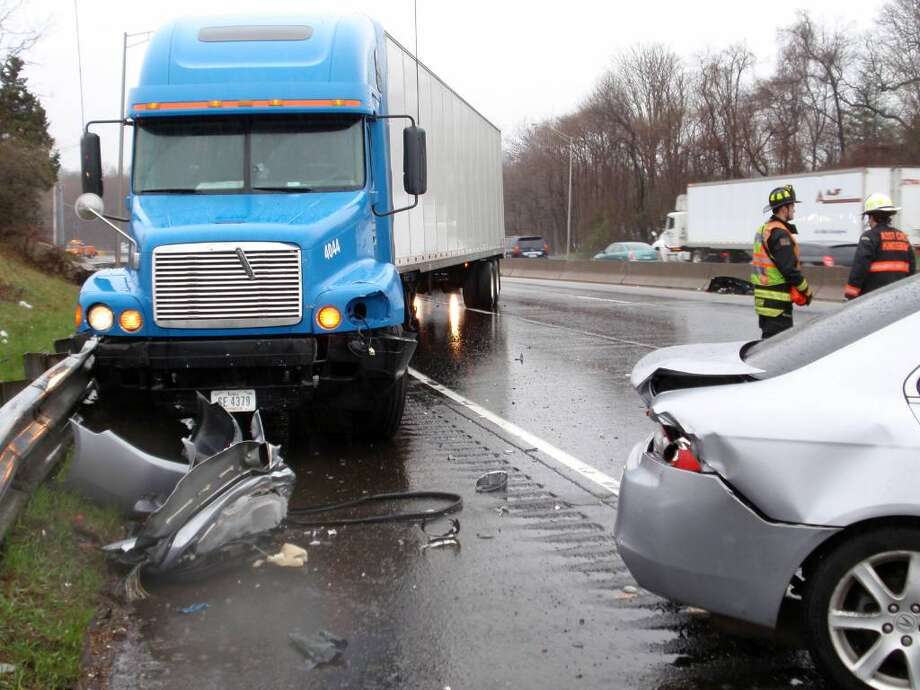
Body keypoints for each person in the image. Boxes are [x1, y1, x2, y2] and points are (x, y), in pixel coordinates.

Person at [751, 184, 814, 338]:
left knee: (767, 345)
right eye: (792, 205)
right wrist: (807, 291)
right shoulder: (780, 234)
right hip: (777, 304)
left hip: (764, 303)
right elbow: (789, 270)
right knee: (777, 351)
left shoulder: (764, 230)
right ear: (784, 209)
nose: (794, 209)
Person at [844, 193, 916, 299]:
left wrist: (850, 295)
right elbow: (911, 268)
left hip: (873, 298)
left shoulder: (869, 237)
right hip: (898, 298)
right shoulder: (902, 237)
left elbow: (860, 268)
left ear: (872, 216)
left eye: (868, 217)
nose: (868, 221)